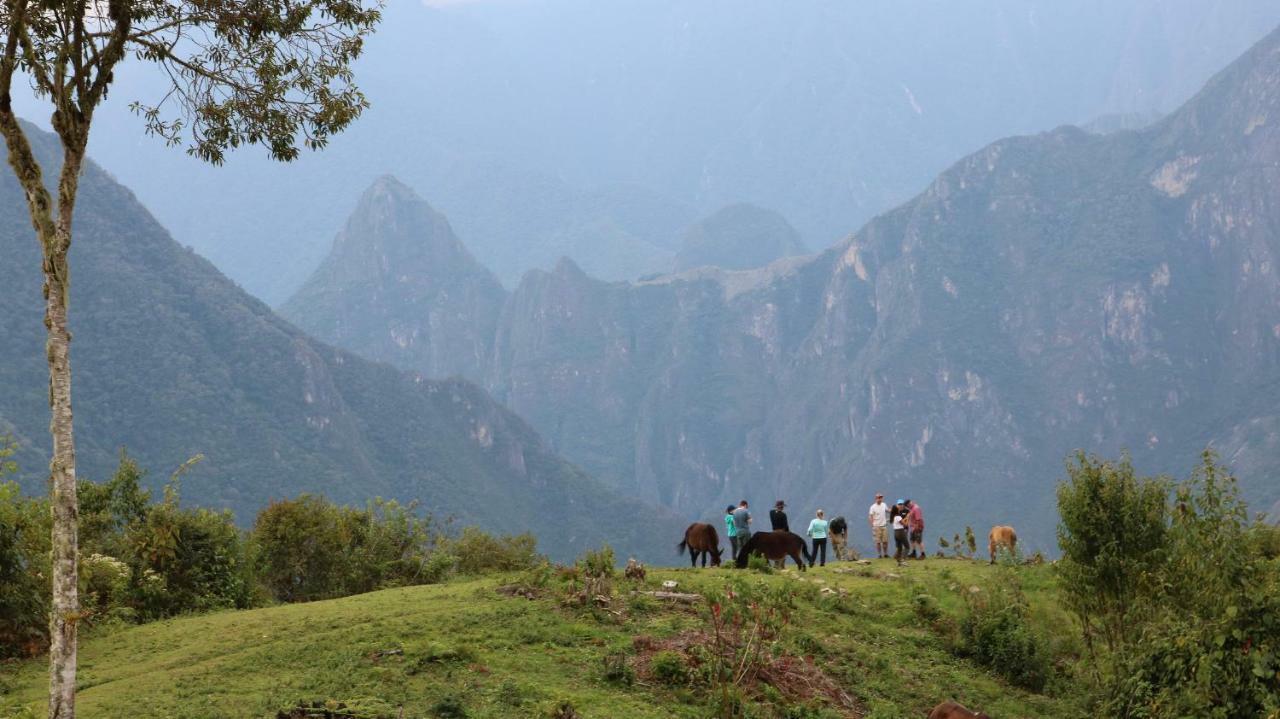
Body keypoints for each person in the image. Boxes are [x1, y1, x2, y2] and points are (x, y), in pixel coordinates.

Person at [868, 493, 890, 559]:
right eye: (878, 498)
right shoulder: (872, 507)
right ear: (876, 498)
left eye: (881, 497)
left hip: (884, 525)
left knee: (885, 541)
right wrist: (872, 525)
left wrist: (895, 510)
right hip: (876, 526)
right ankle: (879, 554)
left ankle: (885, 554)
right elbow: (870, 516)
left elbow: (888, 510)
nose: (880, 499)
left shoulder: (884, 505)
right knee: (878, 542)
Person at [891, 499, 910, 566]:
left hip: (895, 532)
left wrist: (905, 518)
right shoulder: (898, 516)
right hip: (900, 532)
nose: (899, 507)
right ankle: (903, 560)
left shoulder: (893, 516)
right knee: (907, 546)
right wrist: (907, 518)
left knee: (899, 548)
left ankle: (899, 562)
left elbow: (900, 521)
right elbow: (905, 524)